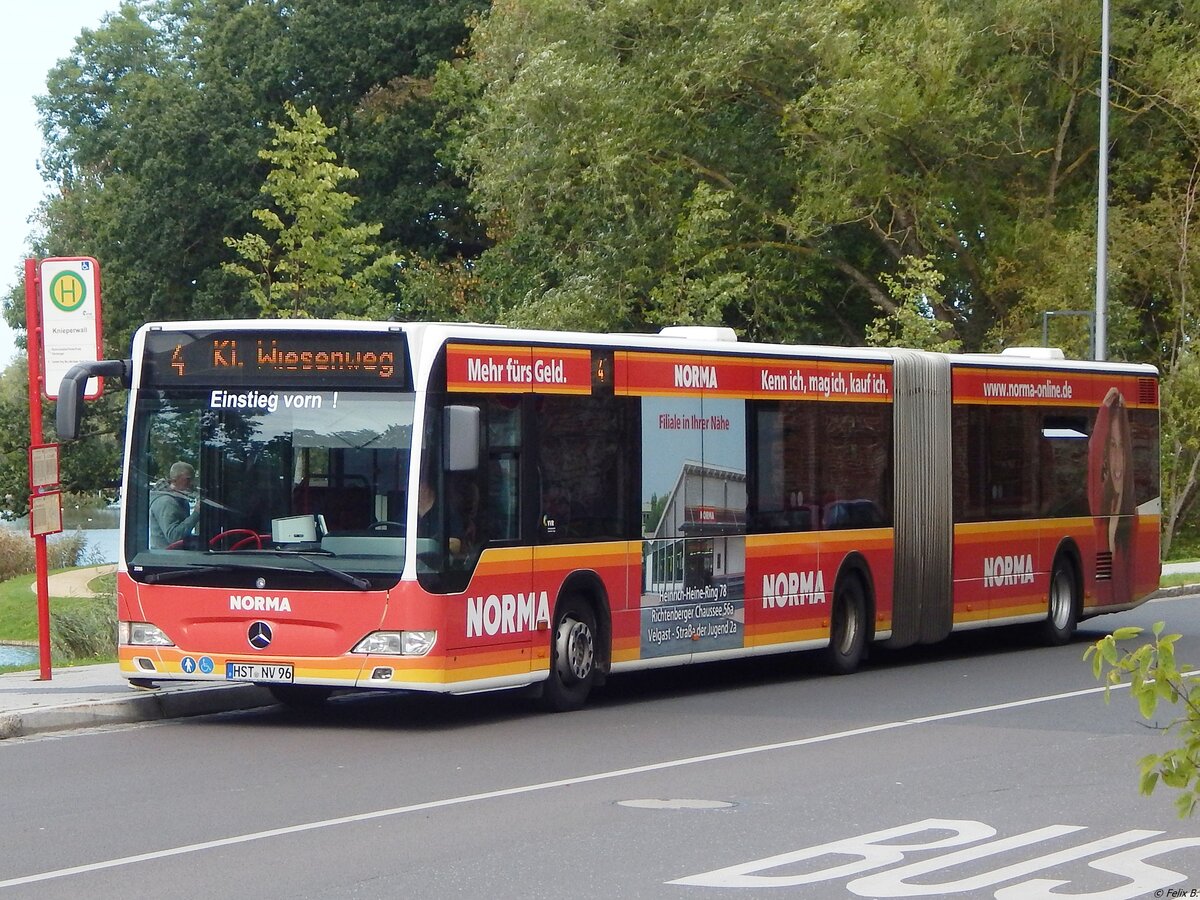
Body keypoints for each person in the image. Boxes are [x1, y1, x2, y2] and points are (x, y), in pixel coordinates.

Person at [149, 462, 200, 548]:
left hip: (175, 556)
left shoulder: (179, 499)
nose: (192, 483)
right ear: (174, 479)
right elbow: (174, 537)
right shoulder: (166, 502)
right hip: (166, 558)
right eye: (188, 479)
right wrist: (196, 513)